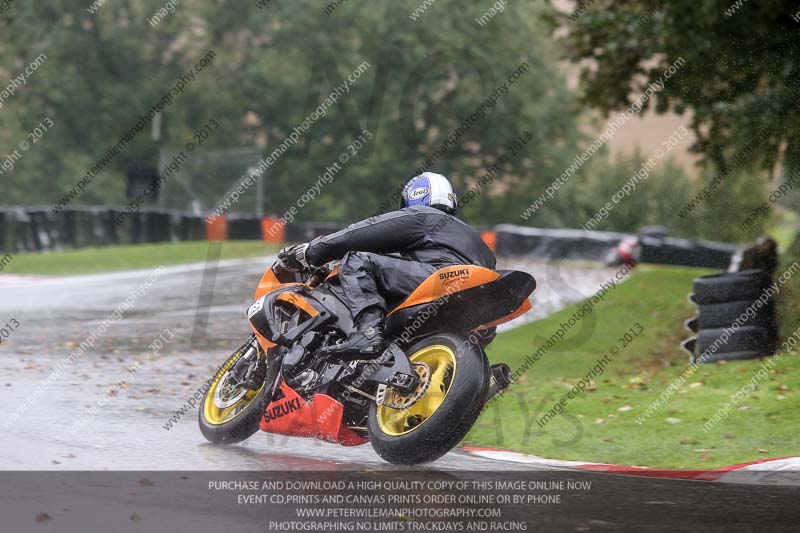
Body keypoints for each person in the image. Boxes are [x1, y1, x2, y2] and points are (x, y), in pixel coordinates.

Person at [278, 172, 496, 356]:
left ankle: (368, 333)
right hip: (474, 308)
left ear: (414, 198)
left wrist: (311, 252)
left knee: (357, 260)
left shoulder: (423, 215)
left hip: (441, 279)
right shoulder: (478, 243)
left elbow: (361, 233)